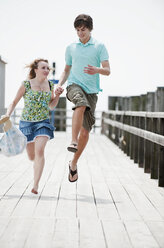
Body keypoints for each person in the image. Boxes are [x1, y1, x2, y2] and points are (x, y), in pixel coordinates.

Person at [56, 14, 110, 182]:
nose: (80, 33)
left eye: (83, 30)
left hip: (92, 91)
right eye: (78, 30)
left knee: (85, 133)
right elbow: (66, 69)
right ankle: (73, 141)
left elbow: (107, 70)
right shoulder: (71, 47)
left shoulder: (100, 46)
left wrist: (97, 70)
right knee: (80, 104)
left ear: (90, 29)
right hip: (74, 85)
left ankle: (73, 164)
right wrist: (59, 84)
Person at [2, 59, 63, 194]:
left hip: (43, 122)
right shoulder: (26, 84)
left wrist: (57, 96)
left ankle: (35, 185)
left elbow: (51, 106)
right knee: (32, 156)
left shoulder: (51, 85)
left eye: (48, 68)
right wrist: (7, 115)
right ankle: (36, 164)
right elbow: (14, 102)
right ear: (35, 69)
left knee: (40, 151)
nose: (47, 70)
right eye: (43, 68)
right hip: (27, 123)